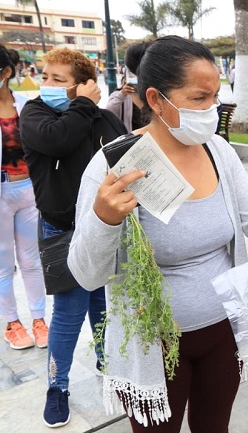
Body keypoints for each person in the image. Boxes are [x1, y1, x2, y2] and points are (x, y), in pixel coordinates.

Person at [67, 35, 248, 431]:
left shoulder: (217, 150)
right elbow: (86, 273)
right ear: (156, 100)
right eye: (199, 99)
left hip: (223, 333)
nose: (213, 108)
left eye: (215, 96)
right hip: (154, 344)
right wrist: (105, 219)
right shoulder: (115, 166)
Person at [20, 48, 127, 428]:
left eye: (57, 79)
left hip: (100, 228)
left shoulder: (103, 119)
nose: (45, 84)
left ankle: (106, 361)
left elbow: (125, 159)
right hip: (61, 228)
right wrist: (82, 104)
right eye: (45, 76)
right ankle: (57, 386)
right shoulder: (34, 113)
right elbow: (57, 141)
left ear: (83, 85)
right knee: (68, 313)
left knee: (102, 299)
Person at [0, 45, 49, 351]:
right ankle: (11, 322)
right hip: (2, 193)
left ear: (5, 73)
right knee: (4, 263)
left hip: (28, 190)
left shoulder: (25, 104)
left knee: (31, 260)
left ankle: (39, 319)